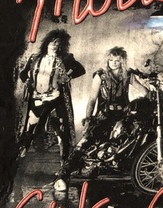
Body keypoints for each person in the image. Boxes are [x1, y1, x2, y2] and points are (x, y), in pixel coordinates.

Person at [56, 46, 145, 188]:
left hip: (123, 116)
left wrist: (155, 91)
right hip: (104, 115)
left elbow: (144, 91)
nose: (114, 63)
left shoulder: (128, 75)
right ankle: (63, 175)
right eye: (111, 60)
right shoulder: (100, 76)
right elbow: (92, 100)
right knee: (85, 142)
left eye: (117, 60)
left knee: (136, 136)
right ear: (107, 60)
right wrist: (88, 119)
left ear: (122, 61)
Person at [18, 29, 85, 168]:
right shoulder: (35, 58)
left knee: (61, 130)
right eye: (52, 42)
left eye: (58, 43)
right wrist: (28, 82)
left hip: (56, 98)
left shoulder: (65, 59)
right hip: (37, 97)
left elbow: (80, 70)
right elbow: (23, 74)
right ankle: (20, 159)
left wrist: (67, 76)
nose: (54, 45)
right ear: (47, 43)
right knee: (30, 128)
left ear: (61, 45)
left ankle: (64, 163)